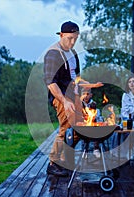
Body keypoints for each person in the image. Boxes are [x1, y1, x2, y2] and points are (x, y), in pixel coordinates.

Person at [43, 21, 82, 176]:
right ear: (61, 35)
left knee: (81, 128)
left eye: (75, 38)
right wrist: (64, 101)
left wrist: (87, 89)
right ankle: (53, 163)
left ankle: (64, 160)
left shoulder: (73, 54)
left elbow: (76, 78)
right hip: (61, 98)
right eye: (69, 38)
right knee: (66, 128)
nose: (72, 42)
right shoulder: (53, 54)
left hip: (75, 96)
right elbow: (50, 82)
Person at [80, 88, 101, 158]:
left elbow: (96, 115)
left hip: (93, 125)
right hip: (82, 125)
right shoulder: (79, 104)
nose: (85, 96)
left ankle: (96, 148)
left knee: (96, 126)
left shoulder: (93, 104)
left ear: (91, 95)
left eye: (87, 94)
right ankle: (85, 149)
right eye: (83, 94)